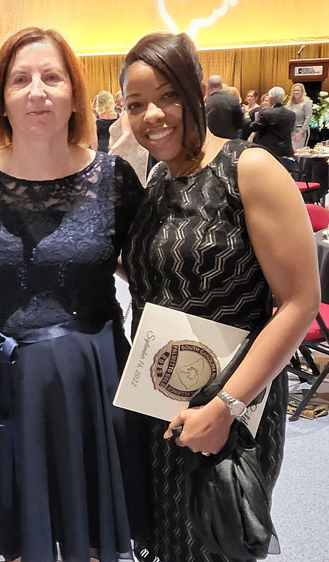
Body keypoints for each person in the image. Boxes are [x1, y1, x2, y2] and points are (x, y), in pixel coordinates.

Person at [0, 26, 149, 562]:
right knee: (19, 539)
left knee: (99, 536)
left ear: (74, 94)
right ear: (1, 99)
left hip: (94, 378)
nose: (37, 91)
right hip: (3, 381)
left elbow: (149, 274)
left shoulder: (114, 178)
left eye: (52, 77)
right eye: (21, 79)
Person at [120, 32, 319, 562]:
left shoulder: (247, 169)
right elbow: (153, 272)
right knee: (169, 543)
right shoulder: (160, 179)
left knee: (219, 538)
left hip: (235, 408)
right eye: (135, 105)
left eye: (167, 96)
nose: (153, 115)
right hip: (163, 400)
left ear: (193, 92)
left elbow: (300, 301)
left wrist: (227, 406)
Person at [251, 86, 296, 157]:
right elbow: (291, 130)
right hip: (286, 150)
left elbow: (254, 127)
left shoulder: (266, 113)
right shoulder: (291, 114)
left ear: (271, 98)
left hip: (269, 150)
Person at [109, 109, 149, 185]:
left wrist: (113, 148)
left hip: (130, 155)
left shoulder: (127, 113)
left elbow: (127, 133)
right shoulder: (129, 113)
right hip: (131, 154)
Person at [205, 74, 244, 139]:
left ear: (208, 87)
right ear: (221, 86)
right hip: (230, 138)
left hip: (211, 139)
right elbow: (240, 123)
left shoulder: (206, 102)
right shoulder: (234, 100)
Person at [286, 82, 313, 149]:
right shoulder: (289, 103)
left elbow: (308, 118)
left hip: (300, 130)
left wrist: (300, 133)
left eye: (298, 90)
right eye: (294, 90)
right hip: (290, 131)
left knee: (298, 152)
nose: (296, 92)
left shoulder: (306, 103)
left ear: (302, 92)